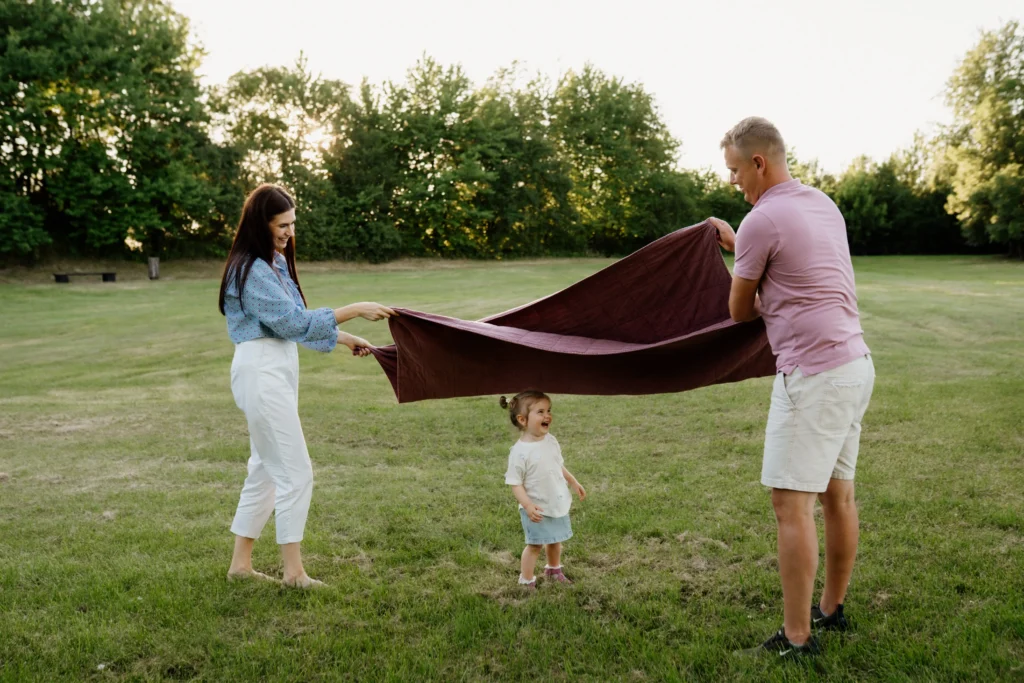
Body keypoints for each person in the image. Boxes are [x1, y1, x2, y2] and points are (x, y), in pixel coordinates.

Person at [707, 117, 875, 657]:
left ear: (759, 162)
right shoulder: (822, 203)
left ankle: (798, 637)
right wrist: (742, 245)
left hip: (814, 376)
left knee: (790, 504)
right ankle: (831, 610)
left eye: (735, 170)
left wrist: (736, 254)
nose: (733, 182)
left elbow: (740, 311)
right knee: (837, 495)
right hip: (855, 364)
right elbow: (800, 270)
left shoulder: (761, 219)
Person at [217, 183, 395, 588]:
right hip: (260, 369)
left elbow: (293, 323)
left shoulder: (274, 262)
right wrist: (353, 310)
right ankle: (294, 573)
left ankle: (240, 566)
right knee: (296, 472)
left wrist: (344, 338)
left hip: (277, 365)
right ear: (259, 224)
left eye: (293, 224)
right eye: (282, 225)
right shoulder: (251, 269)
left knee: (265, 468)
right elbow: (293, 324)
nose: (289, 233)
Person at [501, 391, 586, 589]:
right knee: (535, 545)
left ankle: (554, 569)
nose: (547, 415)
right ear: (523, 419)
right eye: (540, 411)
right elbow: (515, 483)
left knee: (556, 540)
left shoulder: (551, 441)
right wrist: (528, 505)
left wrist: (573, 482)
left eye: (549, 410)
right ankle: (527, 579)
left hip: (556, 501)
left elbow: (558, 465)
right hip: (536, 508)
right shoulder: (520, 452)